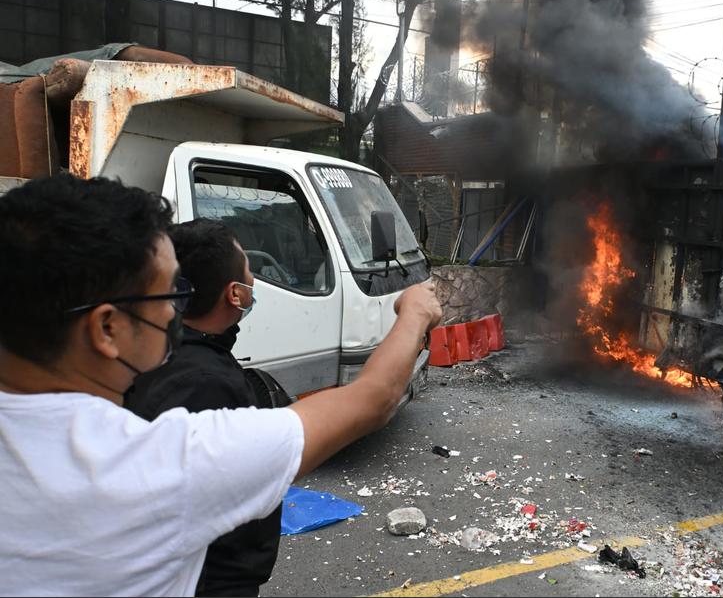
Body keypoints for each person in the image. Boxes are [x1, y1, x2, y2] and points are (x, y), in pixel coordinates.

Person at [0, 173, 441, 596]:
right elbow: (373, 397)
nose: (177, 312)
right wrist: (415, 311)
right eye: (168, 296)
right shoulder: (161, 464)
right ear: (108, 329)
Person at [123, 219, 284, 597]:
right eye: (248, 272)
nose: (253, 281)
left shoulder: (155, 351)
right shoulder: (207, 382)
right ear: (235, 295)